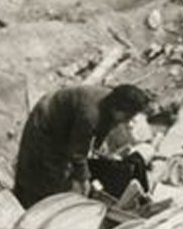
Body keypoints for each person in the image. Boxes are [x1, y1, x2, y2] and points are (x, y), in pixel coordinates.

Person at [13, 84, 154, 209]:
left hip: (67, 121)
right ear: (119, 108)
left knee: (65, 171)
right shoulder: (89, 115)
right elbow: (77, 154)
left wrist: (99, 147)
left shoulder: (111, 100)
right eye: (127, 116)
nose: (128, 121)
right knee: (44, 170)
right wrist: (84, 180)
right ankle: (29, 205)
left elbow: (108, 123)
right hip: (46, 120)